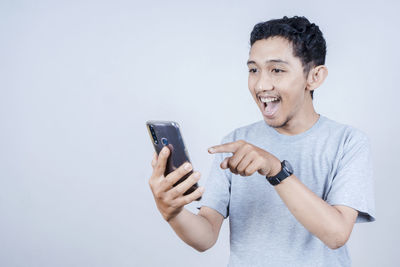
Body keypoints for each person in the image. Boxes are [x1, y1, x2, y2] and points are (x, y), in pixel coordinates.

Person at [148, 16, 375, 267]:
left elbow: (336, 234)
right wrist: (173, 213)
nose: (261, 84)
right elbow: (205, 236)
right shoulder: (236, 142)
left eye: (277, 70)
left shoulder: (348, 142)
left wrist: (275, 170)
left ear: (315, 77)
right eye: (253, 70)